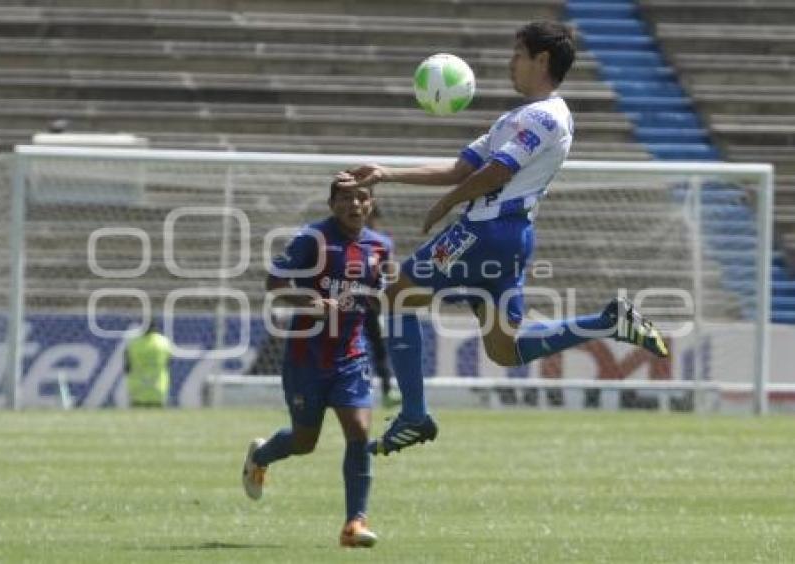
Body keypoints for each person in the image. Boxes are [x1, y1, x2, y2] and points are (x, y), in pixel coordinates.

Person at [335, 21, 669, 456]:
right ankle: (607, 322)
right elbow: (460, 169)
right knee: (505, 350)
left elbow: (497, 172)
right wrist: (387, 174)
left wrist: (447, 205)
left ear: (541, 60)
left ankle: (413, 414)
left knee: (397, 298)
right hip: (507, 237)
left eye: (517, 54)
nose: (510, 63)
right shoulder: (514, 118)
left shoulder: (546, 117)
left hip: (485, 231)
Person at [242, 180, 392, 548]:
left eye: (361, 198)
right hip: (305, 357)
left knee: (358, 431)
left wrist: (384, 298)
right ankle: (259, 456)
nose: (354, 204)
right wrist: (311, 300)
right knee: (305, 442)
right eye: (345, 198)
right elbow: (273, 282)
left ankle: (354, 524)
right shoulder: (312, 238)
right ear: (331, 203)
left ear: (370, 204)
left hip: (351, 357)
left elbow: (378, 292)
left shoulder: (380, 246)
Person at [364, 207, 400, 408]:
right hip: (347, 303)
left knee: (379, 348)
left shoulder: (382, 242)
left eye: (372, 217)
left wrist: (383, 293)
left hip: (372, 304)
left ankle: (387, 390)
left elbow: (391, 272)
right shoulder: (347, 239)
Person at [124, 320, 172, 408]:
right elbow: (168, 363)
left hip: (138, 391)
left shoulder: (133, 344)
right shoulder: (164, 343)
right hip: (158, 390)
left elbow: (127, 367)